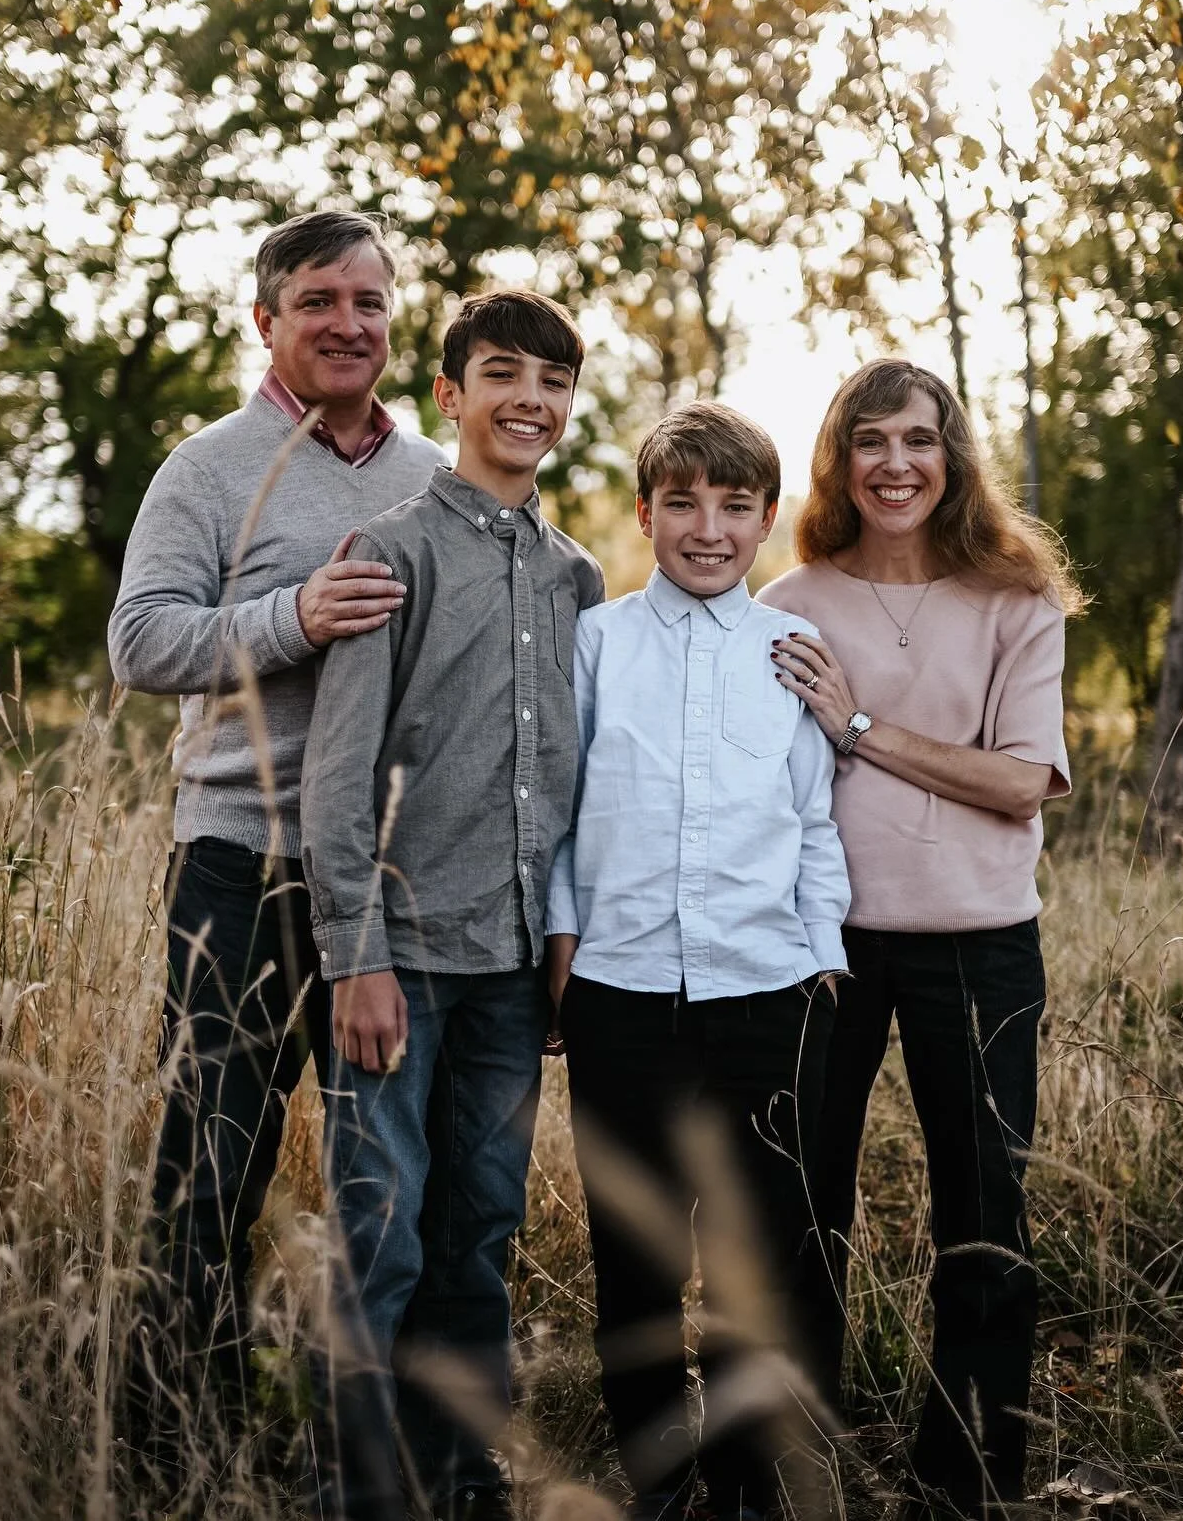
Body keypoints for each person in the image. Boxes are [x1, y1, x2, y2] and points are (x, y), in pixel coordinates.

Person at [107, 211, 445, 1480]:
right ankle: (171, 1449)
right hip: (241, 864)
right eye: (318, 300)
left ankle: (354, 1446)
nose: (348, 322)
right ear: (267, 318)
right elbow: (141, 642)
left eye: (368, 300)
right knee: (210, 1169)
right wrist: (294, 614)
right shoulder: (209, 465)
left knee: (387, 1182)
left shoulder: (432, 470)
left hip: (397, 874)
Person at [300, 289, 605, 1521]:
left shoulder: (581, 579)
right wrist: (354, 953)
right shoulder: (391, 552)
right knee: (382, 1231)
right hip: (402, 959)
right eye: (503, 372)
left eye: (553, 380)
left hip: (515, 963)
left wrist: (570, 941)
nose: (529, 397)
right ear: (452, 394)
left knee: (480, 1227)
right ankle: (362, 1484)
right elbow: (338, 774)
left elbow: (588, 783)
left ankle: (456, 1459)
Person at [760, 359, 1080, 1521]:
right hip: (818, 944)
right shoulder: (789, 603)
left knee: (984, 1216)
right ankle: (793, 1461)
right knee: (800, 1204)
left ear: (954, 458)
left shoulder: (1017, 598)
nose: (896, 463)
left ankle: (972, 1475)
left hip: (980, 941)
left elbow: (1019, 784)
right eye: (871, 440)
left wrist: (854, 722)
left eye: (920, 440)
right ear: (840, 459)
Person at [547, 402, 851, 1521]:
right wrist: (564, 953)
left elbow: (815, 822)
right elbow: (566, 813)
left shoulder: (791, 658)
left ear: (768, 518)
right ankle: (661, 1480)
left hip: (766, 996)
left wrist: (821, 959)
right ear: (646, 512)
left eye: (735, 504)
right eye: (683, 502)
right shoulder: (598, 644)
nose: (709, 527)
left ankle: (742, 1477)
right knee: (634, 1255)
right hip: (621, 993)